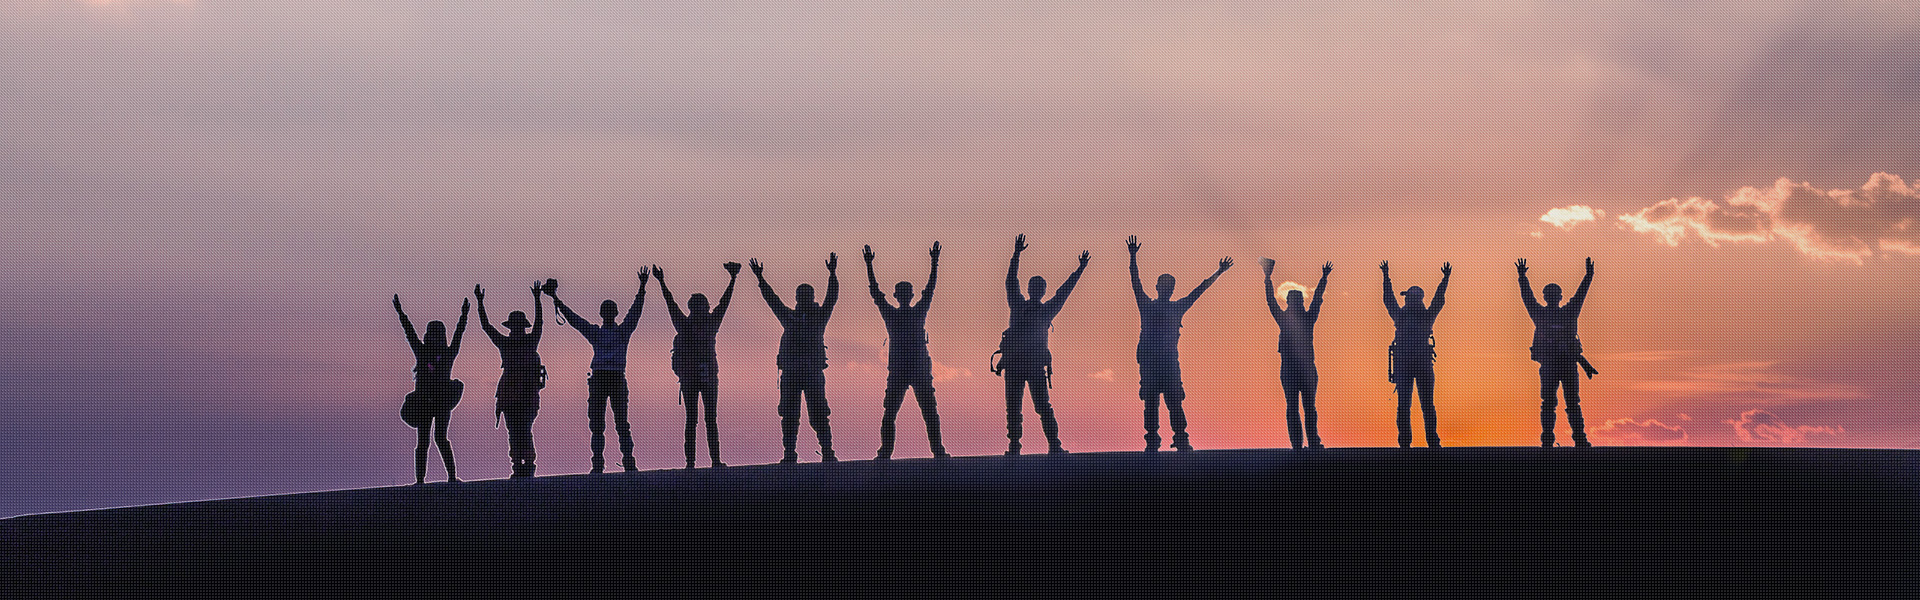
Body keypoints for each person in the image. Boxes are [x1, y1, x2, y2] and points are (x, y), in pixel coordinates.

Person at [1128, 236, 1231, 452]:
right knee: (1152, 404)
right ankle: (1154, 440)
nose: (1167, 289)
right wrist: (1133, 257)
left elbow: (1199, 290)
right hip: (1150, 363)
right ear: (1158, 287)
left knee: (1173, 402)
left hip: (1167, 364)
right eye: (1165, 285)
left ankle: (1180, 438)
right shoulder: (1147, 306)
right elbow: (1135, 282)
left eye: (1170, 286)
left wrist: (1218, 272)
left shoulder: (1175, 308)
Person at [547, 272, 648, 473]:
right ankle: (621, 463)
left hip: (606, 378)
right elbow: (635, 312)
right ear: (612, 313)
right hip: (611, 378)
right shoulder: (620, 331)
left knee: (606, 424)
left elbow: (575, 319)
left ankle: (608, 464)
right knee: (611, 424)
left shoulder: (606, 331)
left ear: (603, 313)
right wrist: (642, 288)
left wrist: (642, 288)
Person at [997, 234, 1088, 456]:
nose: (1036, 289)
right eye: (1034, 286)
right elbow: (1011, 280)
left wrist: (1079, 270)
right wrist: (1016, 254)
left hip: (1031, 365)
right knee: (1018, 409)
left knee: (1038, 408)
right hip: (1018, 365)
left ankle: (1049, 446)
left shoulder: (1042, 309)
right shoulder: (1021, 306)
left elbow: (1065, 291)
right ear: (1032, 289)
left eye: (1038, 287)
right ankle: (1018, 446)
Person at [751, 254, 840, 464]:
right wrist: (760, 279)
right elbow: (772, 300)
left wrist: (833, 274)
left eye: (806, 296)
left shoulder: (819, 317)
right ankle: (790, 453)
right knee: (790, 416)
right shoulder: (789, 317)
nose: (803, 299)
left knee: (818, 414)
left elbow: (832, 297)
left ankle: (827, 451)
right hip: (791, 373)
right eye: (800, 296)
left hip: (811, 373)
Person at [865, 242, 948, 460]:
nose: (904, 295)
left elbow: (930, 288)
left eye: (906, 292)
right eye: (902, 292)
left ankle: (937, 450)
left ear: (909, 295)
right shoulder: (894, 314)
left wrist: (934, 262)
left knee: (928, 413)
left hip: (917, 370)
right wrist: (868, 266)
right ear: (900, 295)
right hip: (901, 371)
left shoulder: (916, 311)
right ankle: (886, 452)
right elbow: (876, 293)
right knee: (893, 414)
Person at [654, 263, 740, 469]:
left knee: (703, 419)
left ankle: (704, 461)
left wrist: (733, 280)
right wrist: (662, 283)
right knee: (698, 419)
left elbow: (723, 303)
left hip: (702, 377)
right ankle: (698, 462)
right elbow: (671, 304)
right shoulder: (699, 324)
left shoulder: (695, 324)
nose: (703, 309)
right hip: (698, 377)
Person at [1519, 257, 1597, 448]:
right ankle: (1551, 440)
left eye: (1554, 294)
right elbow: (1527, 297)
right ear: (1548, 297)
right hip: (1552, 365)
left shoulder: (1565, 312)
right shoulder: (1544, 314)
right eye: (1551, 294)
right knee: (1552, 403)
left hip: (1565, 364)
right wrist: (1522, 277)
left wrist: (1588, 276)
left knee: (1568, 404)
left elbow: (1580, 295)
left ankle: (1575, 439)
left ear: (1558, 297)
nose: (1553, 297)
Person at [393, 294, 469, 484]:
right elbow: (409, 332)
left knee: (441, 439)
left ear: (442, 337)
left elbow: (458, 335)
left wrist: (464, 316)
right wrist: (401, 312)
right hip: (424, 403)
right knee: (423, 442)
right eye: (432, 335)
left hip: (442, 403)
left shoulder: (448, 354)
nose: (434, 339)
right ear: (428, 337)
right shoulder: (422, 352)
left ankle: (451, 477)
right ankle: (420, 480)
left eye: (438, 335)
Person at [477, 283, 546, 477]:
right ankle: (519, 465)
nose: (516, 329)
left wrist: (537, 299)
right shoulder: (514, 343)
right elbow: (486, 327)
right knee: (516, 430)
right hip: (513, 393)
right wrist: (480, 303)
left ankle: (526, 464)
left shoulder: (522, 342)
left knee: (521, 429)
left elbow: (539, 323)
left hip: (522, 393)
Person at [1264, 259, 1331, 450]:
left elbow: (1317, 298)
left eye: (1298, 301)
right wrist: (1267, 278)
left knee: (1305, 407)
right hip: (1294, 368)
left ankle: (1308, 443)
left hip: (1305, 368)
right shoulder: (1288, 319)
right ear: (1291, 303)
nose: (1298, 304)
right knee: (1296, 407)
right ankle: (1299, 444)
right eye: (1296, 301)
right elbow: (1271, 300)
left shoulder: (1303, 318)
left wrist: (1324, 278)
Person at [1382, 261, 1449, 448]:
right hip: (1411, 366)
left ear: (1413, 300)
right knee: (1414, 406)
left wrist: (1445, 280)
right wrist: (1386, 277)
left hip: (1414, 366)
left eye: (1408, 298)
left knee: (1418, 406)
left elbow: (1438, 299)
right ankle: (1417, 443)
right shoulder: (1415, 316)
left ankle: (1423, 442)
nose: (1406, 301)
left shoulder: (1416, 316)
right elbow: (1389, 300)